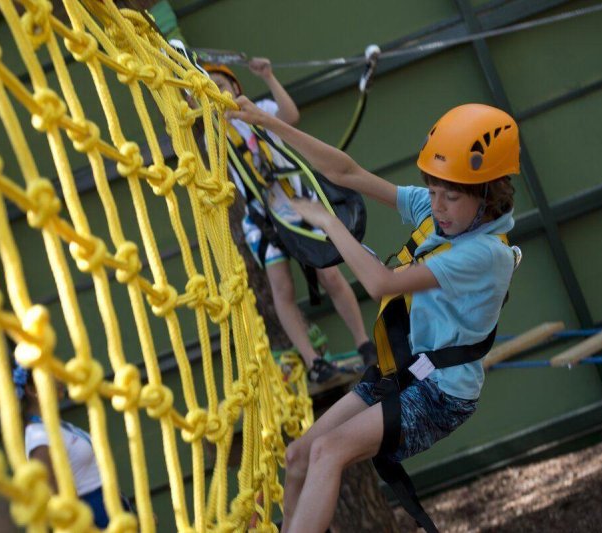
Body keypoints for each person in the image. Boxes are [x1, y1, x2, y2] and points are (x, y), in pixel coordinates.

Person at [226, 99, 520, 532]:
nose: (436, 206)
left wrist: (329, 223)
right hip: (401, 370)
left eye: (450, 197)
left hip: (442, 394)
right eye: (433, 192)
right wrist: (268, 123)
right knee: (299, 455)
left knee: (329, 451)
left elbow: (381, 284)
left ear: (489, 194)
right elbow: (347, 174)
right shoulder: (442, 216)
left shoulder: (483, 254)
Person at [204, 58, 376, 384]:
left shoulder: (263, 110)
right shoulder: (215, 133)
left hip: (300, 207)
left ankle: (363, 343)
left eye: (222, 86)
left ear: (235, 88)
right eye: (211, 89)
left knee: (331, 277)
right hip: (264, 218)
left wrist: (268, 76)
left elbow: (291, 114)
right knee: (281, 288)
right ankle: (314, 361)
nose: (218, 92)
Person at [11, 365, 130, 529]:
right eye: (51, 374)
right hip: (93, 517)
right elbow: (55, 497)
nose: (60, 379)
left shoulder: (55, 425)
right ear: (32, 389)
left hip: (112, 508)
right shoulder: (39, 438)